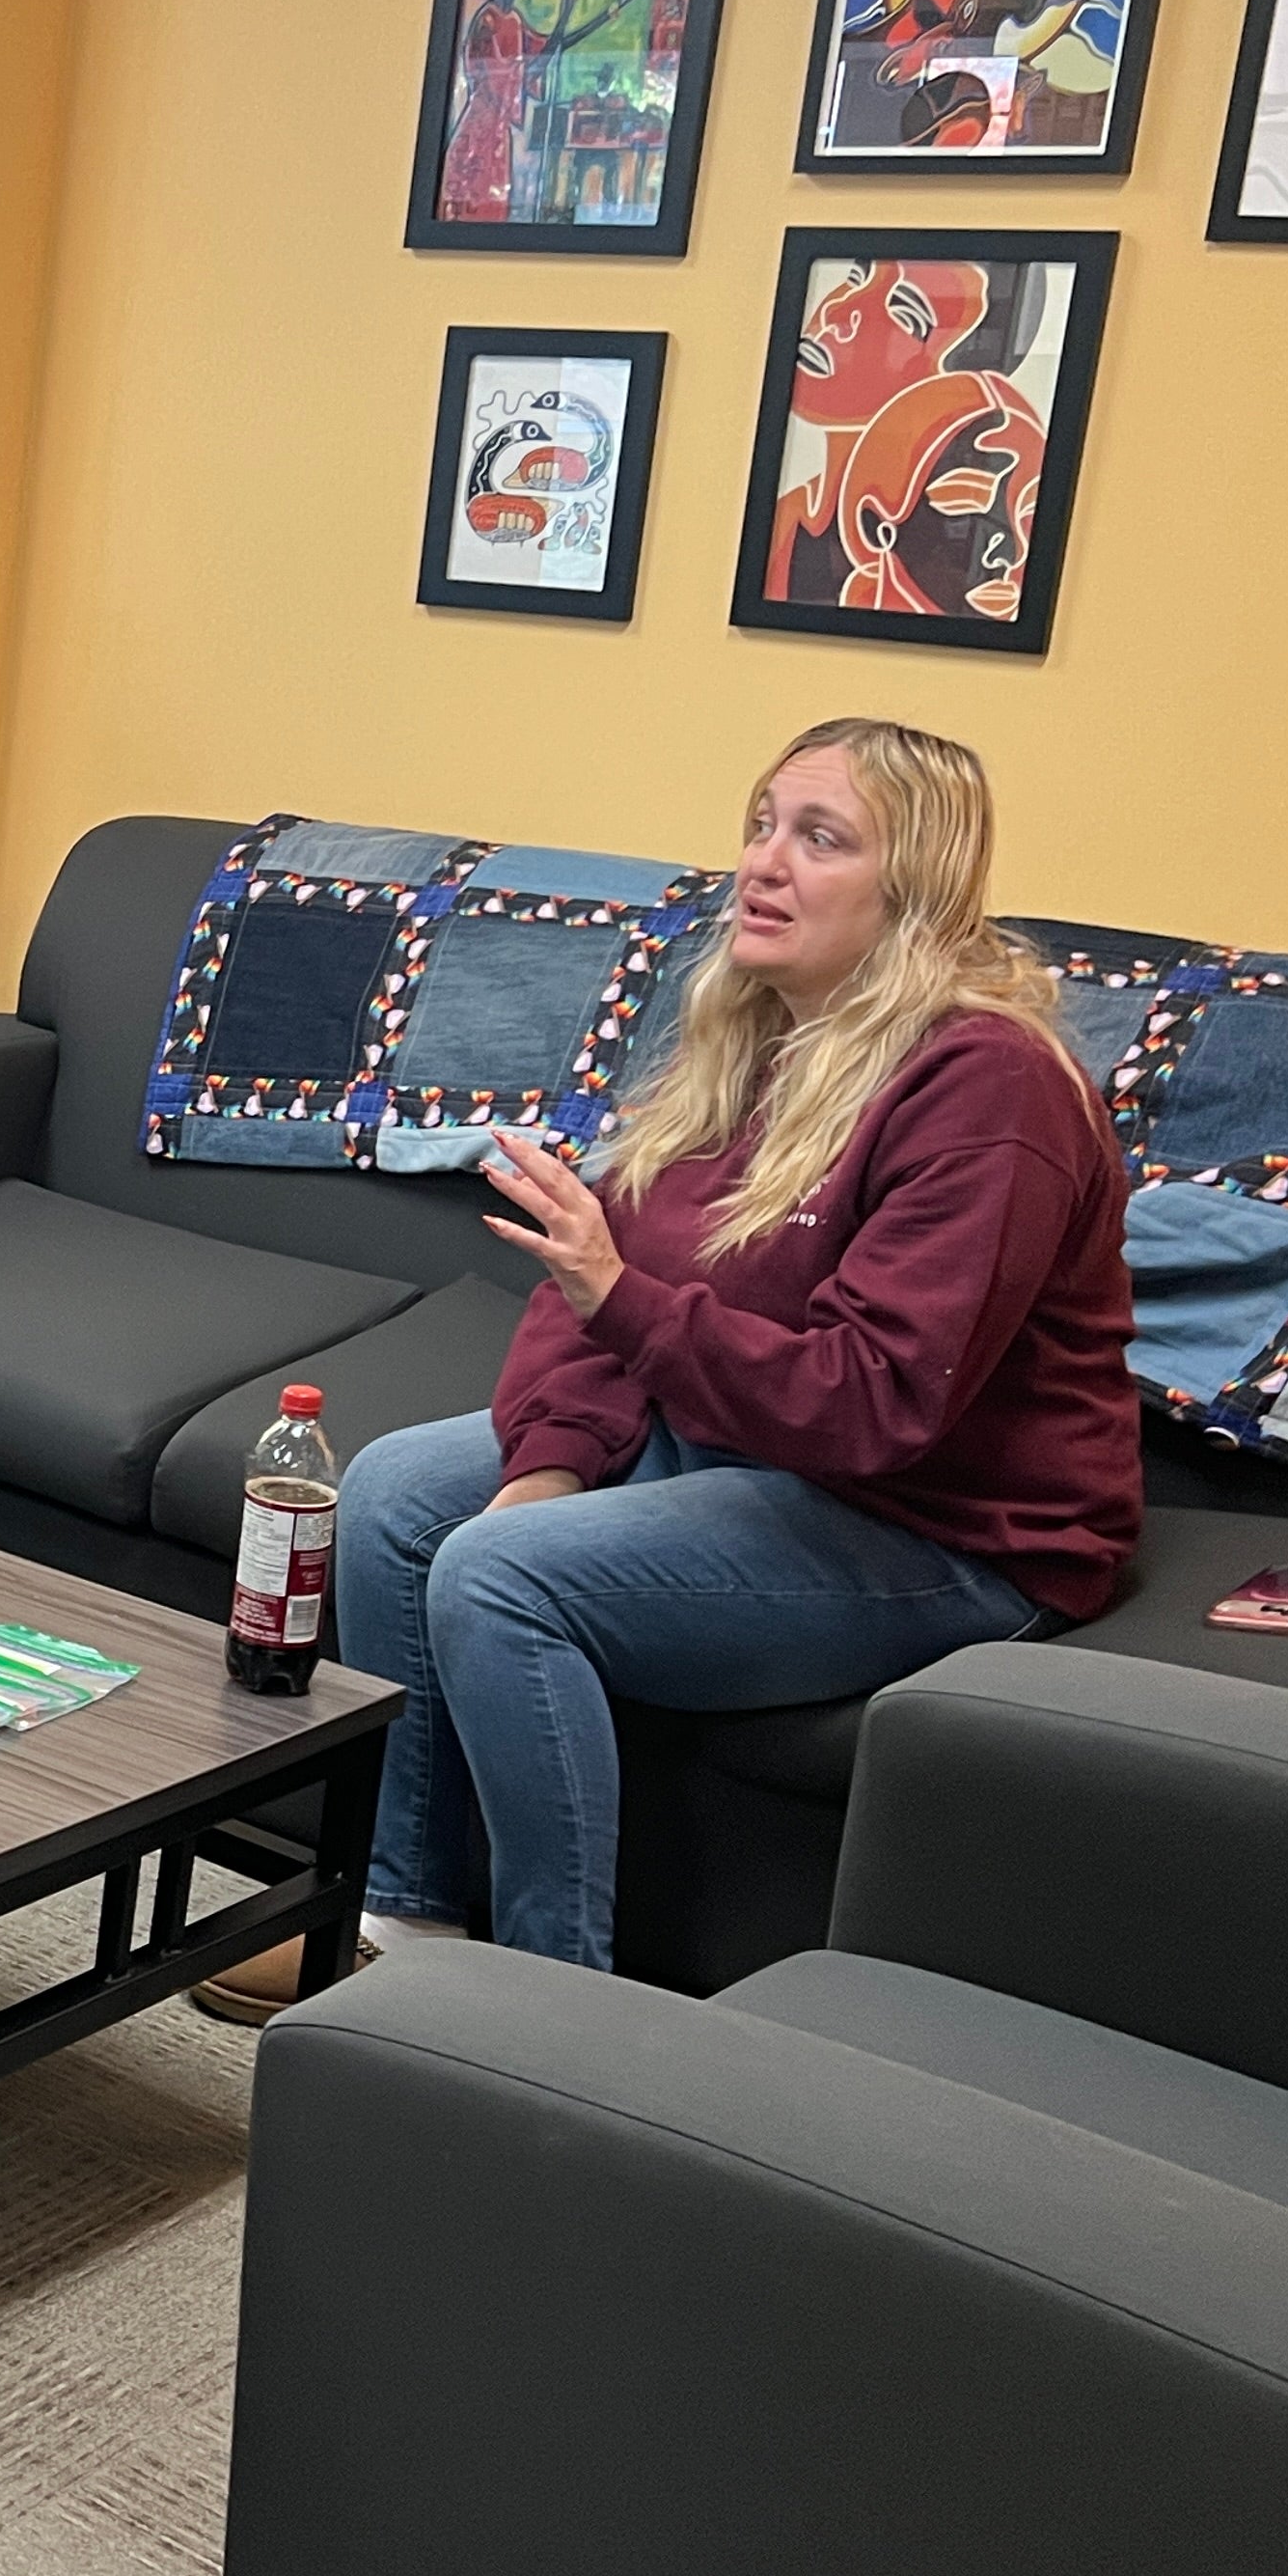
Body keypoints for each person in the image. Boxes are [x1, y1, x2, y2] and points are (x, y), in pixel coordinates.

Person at [203, 717, 1136, 2011]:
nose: (763, 863)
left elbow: (878, 1402)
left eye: (820, 839)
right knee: (392, 1501)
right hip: (755, 1444)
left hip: (946, 1527)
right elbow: (602, 1286)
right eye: (762, 823)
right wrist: (551, 1460)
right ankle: (403, 1917)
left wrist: (617, 1313)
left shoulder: (993, 1087)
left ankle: (550, 2001)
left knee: (499, 1577)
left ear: (913, 889)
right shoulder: (756, 1037)